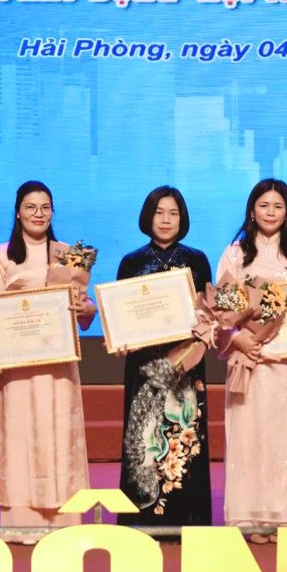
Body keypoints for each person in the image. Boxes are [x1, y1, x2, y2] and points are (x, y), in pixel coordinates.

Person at [0, 181, 95, 543]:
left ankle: (62, 522)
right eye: (31, 207)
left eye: (45, 207)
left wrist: (85, 308)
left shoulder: (67, 254)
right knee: (21, 438)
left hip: (58, 367)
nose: (38, 214)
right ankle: (21, 521)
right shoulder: (2, 255)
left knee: (58, 434)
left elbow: (85, 309)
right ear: (18, 211)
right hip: (18, 370)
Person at [216, 179, 287, 540]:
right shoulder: (235, 253)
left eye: (278, 206)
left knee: (286, 441)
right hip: (249, 362)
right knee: (248, 438)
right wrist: (241, 339)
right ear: (252, 210)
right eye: (264, 206)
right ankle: (250, 518)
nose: (271, 212)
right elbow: (222, 311)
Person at [116, 186, 213, 529]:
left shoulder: (197, 260)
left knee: (184, 436)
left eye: (173, 213)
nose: (166, 220)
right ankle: (139, 519)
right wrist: (121, 337)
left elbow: (208, 312)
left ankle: (188, 518)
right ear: (148, 216)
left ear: (182, 218)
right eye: (160, 212)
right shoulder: (131, 262)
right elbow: (120, 314)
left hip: (184, 362)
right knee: (143, 437)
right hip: (144, 365)